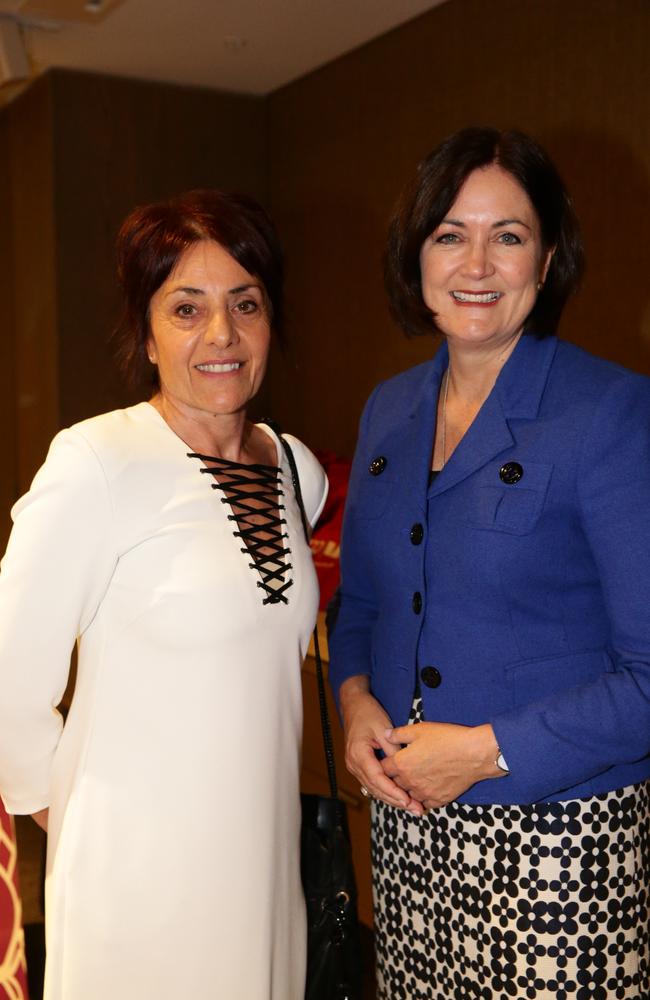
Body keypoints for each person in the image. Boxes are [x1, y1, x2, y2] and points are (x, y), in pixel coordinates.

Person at [328, 127, 650, 999]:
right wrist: (355, 705)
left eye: (507, 235)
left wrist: (482, 754)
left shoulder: (612, 412)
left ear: (546, 262)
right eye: (449, 234)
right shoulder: (388, 409)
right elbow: (359, 607)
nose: (477, 263)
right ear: (417, 257)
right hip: (408, 832)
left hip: (558, 842)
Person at [0, 189, 327, 1000]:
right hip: (137, 883)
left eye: (244, 303)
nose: (220, 334)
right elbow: (8, 674)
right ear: (146, 334)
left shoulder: (295, 469)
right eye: (186, 308)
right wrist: (71, 811)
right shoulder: (98, 461)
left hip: (262, 867)